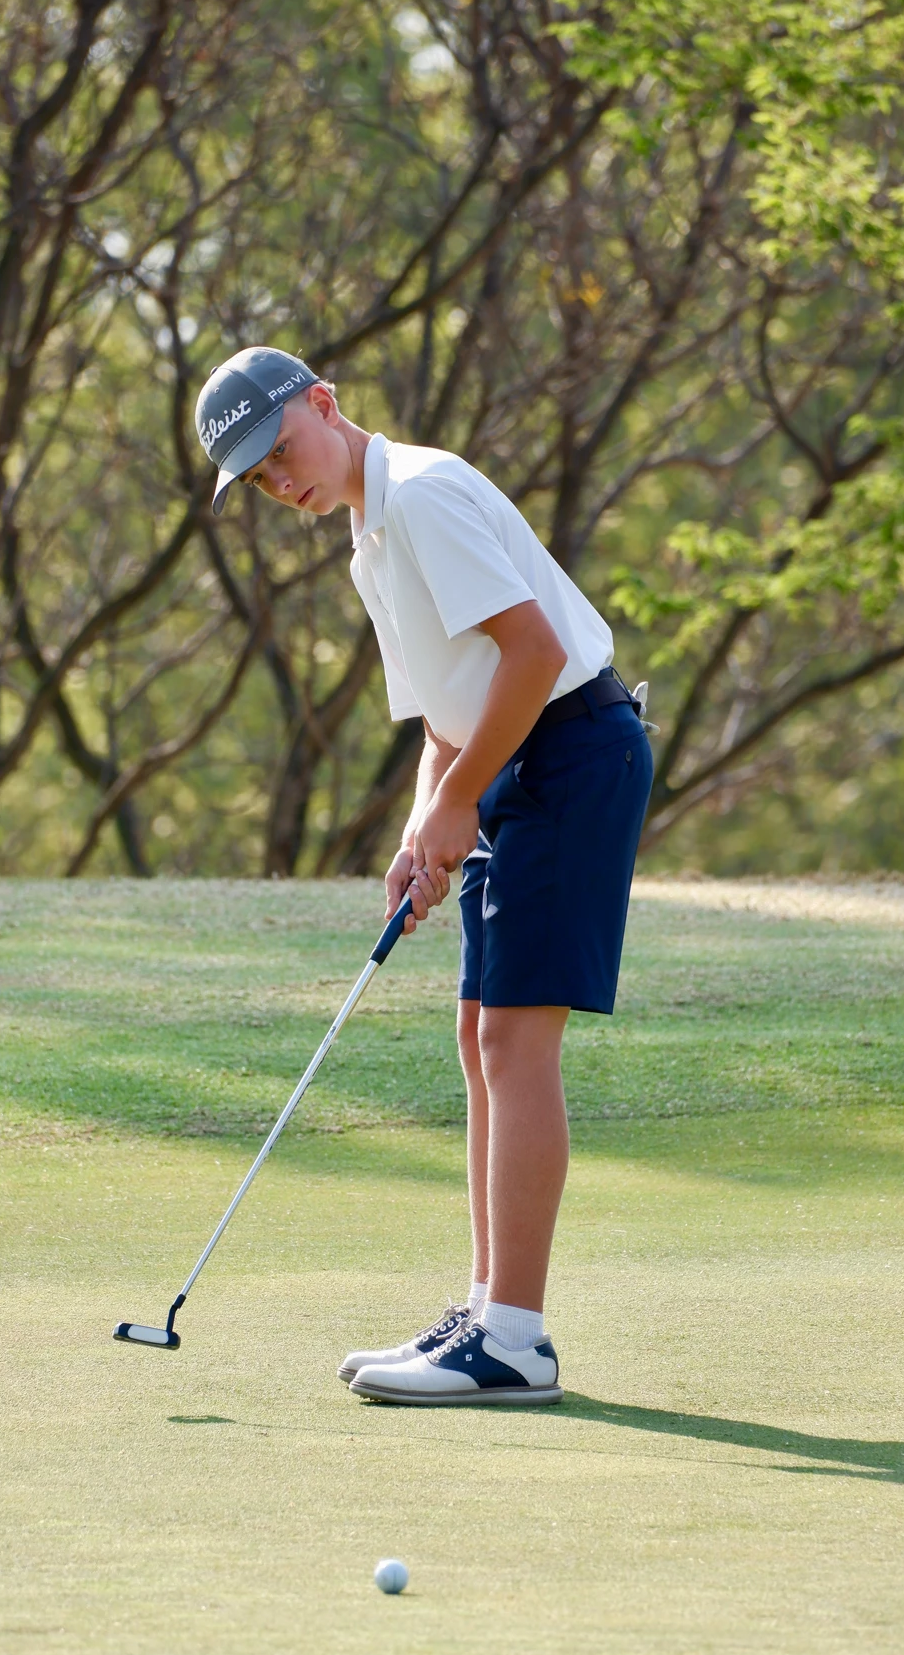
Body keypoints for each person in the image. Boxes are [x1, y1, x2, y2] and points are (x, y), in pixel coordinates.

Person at [196, 345, 652, 1406]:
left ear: (325, 403)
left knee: (512, 1032)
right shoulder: (371, 538)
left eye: (281, 451)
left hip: (573, 752)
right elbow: (446, 712)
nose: (279, 479)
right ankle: (486, 1307)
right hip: (511, 758)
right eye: (258, 477)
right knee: (475, 1029)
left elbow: (533, 655)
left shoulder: (428, 492)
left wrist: (458, 804)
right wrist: (421, 823)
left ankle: (514, 1338)